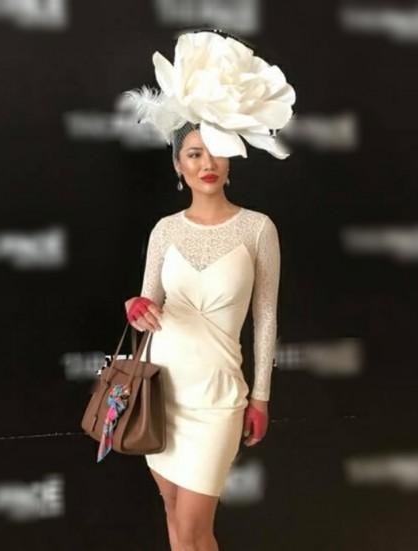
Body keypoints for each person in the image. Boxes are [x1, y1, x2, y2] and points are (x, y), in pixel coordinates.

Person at [122, 29, 295, 551]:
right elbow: (148, 304)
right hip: (160, 392)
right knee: (176, 519)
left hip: (219, 397)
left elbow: (266, 317)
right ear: (179, 165)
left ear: (232, 157)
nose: (207, 163)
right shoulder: (164, 230)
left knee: (195, 528)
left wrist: (261, 397)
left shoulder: (258, 229)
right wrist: (136, 307)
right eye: (194, 154)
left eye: (216, 151)